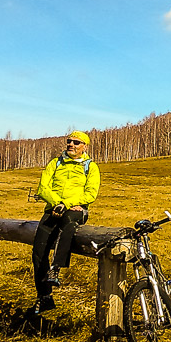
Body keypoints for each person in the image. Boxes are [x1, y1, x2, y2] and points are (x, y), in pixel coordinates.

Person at [30, 130, 100, 315]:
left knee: (69, 223)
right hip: (53, 209)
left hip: (76, 210)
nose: (71, 144)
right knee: (38, 251)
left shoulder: (90, 167)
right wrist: (56, 203)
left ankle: (56, 268)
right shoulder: (55, 163)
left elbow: (91, 193)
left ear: (85, 146)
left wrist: (66, 204)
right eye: (69, 141)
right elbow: (42, 188)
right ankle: (44, 297)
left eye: (76, 142)